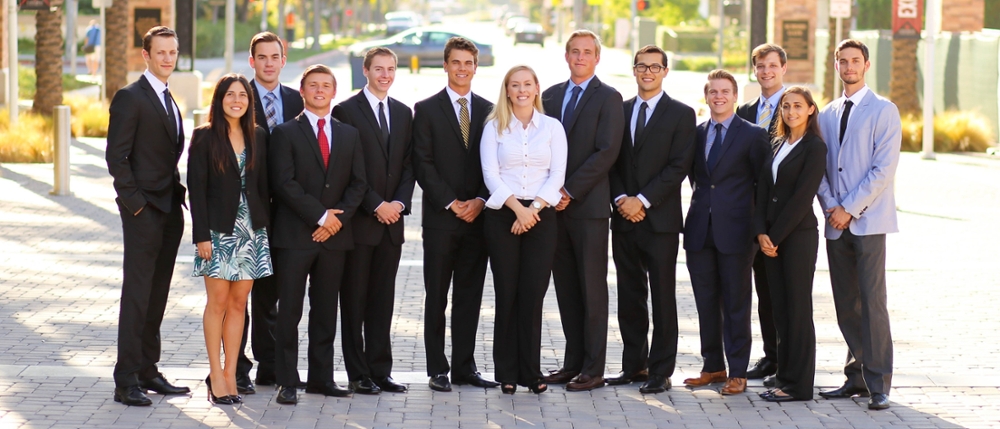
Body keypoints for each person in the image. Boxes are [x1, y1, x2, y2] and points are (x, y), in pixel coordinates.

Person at [268, 64, 367, 405]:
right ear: (303, 91)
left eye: (326, 85)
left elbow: (359, 184)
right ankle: (286, 381)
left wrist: (336, 220)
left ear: (334, 91)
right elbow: (283, 183)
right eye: (313, 85)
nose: (320, 90)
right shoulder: (284, 133)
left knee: (325, 311)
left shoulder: (349, 134)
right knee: (289, 312)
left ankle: (321, 379)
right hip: (296, 236)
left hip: (335, 239)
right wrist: (321, 216)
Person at [106, 26, 190, 406]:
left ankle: (147, 369)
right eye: (161, 52)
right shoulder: (130, 97)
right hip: (143, 212)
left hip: (170, 211)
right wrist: (135, 204)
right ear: (146, 55)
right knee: (137, 295)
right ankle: (126, 379)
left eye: (172, 52)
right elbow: (116, 157)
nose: (168, 58)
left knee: (157, 295)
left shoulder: (170, 97)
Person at [816, 39, 901, 411]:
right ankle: (855, 378)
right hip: (836, 223)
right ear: (836, 65)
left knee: (872, 303)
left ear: (866, 65)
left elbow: (883, 170)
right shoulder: (827, 113)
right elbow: (819, 167)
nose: (848, 66)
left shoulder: (884, 110)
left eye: (855, 60)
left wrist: (849, 208)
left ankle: (878, 382)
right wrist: (832, 207)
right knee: (845, 305)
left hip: (868, 221)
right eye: (842, 61)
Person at [607, 45, 695, 394]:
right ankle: (634, 365)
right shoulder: (619, 110)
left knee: (662, 296)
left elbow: (679, 166)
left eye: (655, 67)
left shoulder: (682, 114)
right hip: (624, 218)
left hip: (660, 220)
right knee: (629, 295)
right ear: (633, 70)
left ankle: (660, 371)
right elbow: (610, 159)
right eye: (642, 66)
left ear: (665, 71)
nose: (648, 72)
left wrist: (641, 200)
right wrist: (620, 199)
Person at [412, 37, 498, 392]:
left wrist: (479, 200)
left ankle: (465, 367)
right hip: (441, 219)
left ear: (476, 67)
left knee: (469, 296)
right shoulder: (426, 109)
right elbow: (423, 162)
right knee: (437, 295)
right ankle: (437, 369)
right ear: (445, 65)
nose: (462, 68)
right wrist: (451, 201)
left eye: (468, 63)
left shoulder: (491, 111)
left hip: (478, 219)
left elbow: (495, 162)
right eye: (456, 62)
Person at [540, 29, 624, 392]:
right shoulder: (550, 96)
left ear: (597, 58)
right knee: (567, 290)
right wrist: (547, 193)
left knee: (592, 291)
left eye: (586, 52)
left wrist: (569, 190)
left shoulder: (609, 97)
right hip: (553, 210)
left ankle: (594, 368)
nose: (579, 57)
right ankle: (572, 362)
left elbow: (606, 152)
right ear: (566, 55)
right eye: (574, 51)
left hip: (587, 208)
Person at [332, 47, 414, 395]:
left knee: (382, 302)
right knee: (354, 301)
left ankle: (381, 370)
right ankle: (358, 372)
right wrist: (375, 204)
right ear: (365, 71)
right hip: (361, 224)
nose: (385, 75)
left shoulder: (403, 112)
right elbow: (347, 170)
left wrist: (398, 203)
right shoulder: (346, 111)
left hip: (392, 224)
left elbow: (409, 165)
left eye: (390, 69)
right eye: (378, 69)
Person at [682, 69, 770, 396]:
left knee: (736, 304)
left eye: (725, 91)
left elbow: (763, 184)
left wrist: (758, 228)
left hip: (737, 231)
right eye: (713, 91)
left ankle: (738, 372)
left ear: (735, 96)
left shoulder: (753, 134)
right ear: (706, 97)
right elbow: (696, 178)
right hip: (699, 231)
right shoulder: (696, 133)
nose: (719, 96)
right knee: (705, 302)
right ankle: (713, 366)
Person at [481, 65, 566, 395]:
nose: (521, 90)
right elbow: (491, 174)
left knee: (532, 296)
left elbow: (557, 173)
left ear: (536, 88)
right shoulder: (494, 127)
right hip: (504, 216)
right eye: (514, 85)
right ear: (506, 90)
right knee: (507, 293)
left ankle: (531, 371)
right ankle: (506, 371)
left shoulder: (552, 128)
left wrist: (533, 210)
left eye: (527, 84)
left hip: (542, 216)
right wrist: (518, 209)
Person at [187, 73, 272, 405]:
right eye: (230, 95)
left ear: (249, 102)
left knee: (239, 305)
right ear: (219, 99)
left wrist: (265, 231)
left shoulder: (258, 136)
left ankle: (231, 373)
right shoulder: (204, 137)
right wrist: (201, 236)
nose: (237, 100)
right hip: (218, 234)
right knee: (218, 304)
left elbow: (263, 186)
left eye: (243, 95)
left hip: (252, 232)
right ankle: (216, 376)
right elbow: (196, 189)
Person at [235, 30, 305, 395]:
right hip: (249, 211)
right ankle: (239, 367)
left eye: (274, 56)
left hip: (290, 214)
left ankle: (269, 364)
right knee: (242, 293)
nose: (268, 63)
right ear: (252, 61)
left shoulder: (297, 99)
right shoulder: (237, 96)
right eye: (261, 57)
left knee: (272, 293)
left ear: (283, 58)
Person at [752, 86, 827, 402]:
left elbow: (801, 198)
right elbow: (761, 191)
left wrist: (775, 236)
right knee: (779, 310)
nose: (791, 111)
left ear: (810, 109)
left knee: (797, 310)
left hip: (796, 238)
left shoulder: (815, 147)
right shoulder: (777, 143)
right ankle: (784, 377)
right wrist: (760, 233)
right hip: (770, 239)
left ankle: (799, 386)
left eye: (798, 106)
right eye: (786, 106)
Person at [735, 43, 787, 385]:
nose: (766, 72)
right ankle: (770, 357)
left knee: (783, 293)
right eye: (760, 66)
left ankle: (787, 359)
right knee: (761, 292)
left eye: (772, 65)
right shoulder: (744, 111)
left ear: (783, 67)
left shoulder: (795, 106)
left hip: (782, 216)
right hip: (749, 217)